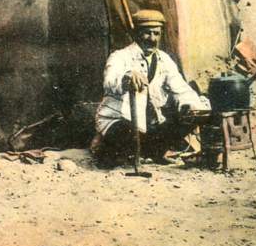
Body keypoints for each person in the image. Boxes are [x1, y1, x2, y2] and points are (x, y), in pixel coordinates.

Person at [90, 9, 211, 167]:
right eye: (147, 33)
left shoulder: (164, 59)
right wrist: (127, 77)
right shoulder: (120, 56)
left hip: (151, 124)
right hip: (119, 120)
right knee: (127, 138)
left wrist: (192, 106)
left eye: (156, 33)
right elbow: (110, 82)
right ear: (136, 33)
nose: (152, 39)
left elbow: (181, 88)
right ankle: (109, 146)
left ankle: (151, 152)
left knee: (188, 117)